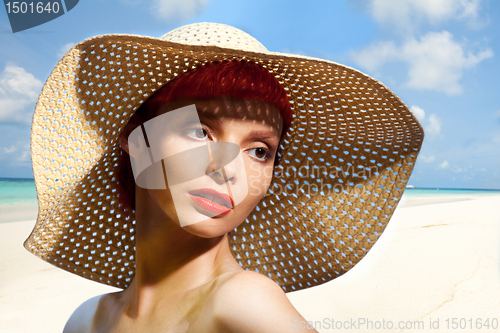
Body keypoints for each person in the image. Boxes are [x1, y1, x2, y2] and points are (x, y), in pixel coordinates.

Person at [25, 23, 424, 332]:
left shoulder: (242, 301)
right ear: (137, 139)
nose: (228, 168)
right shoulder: (87, 320)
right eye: (200, 131)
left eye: (259, 151)